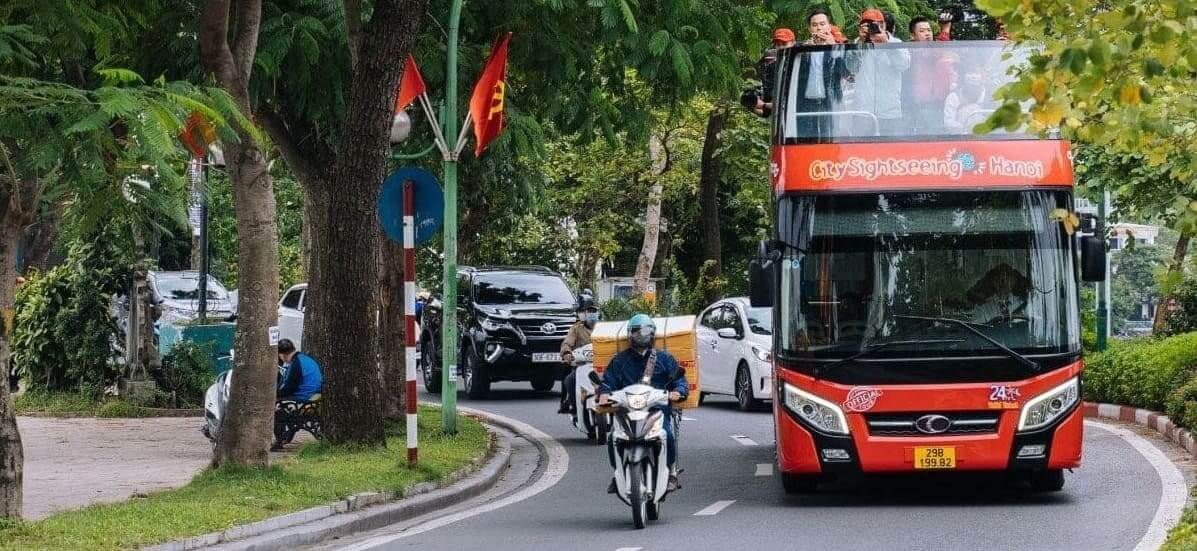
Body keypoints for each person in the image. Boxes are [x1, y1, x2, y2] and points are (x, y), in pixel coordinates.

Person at [598, 314, 689, 492]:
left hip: (657, 410)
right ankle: (617, 474)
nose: (641, 335)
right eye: (637, 332)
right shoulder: (620, 360)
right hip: (626, 411)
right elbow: (608, 382)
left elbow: (680, 380)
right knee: (613, 438)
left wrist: (678, 391)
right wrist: (604, 393)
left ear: (653, 334)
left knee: (667, 435)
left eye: (646, 331)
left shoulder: (664, 359)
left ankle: (671, 472)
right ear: (630, 334)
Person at [846, 8, 911, 137]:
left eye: (876, 24)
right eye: (867, 25)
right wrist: (860, 44)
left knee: (890, 151)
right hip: (863, 110)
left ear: (884, 25)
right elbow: (851, 68)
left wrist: (886, 44)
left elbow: (903, 65)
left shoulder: (896, 43)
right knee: (862, 151)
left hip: (889, 110)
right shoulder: (857, 44)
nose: (872, 28)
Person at [791, 8, 847, 140]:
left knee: (829, 139)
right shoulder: (801, 48)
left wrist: (833, 47)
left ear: (829, 26)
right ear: (809, 29)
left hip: (829, 102)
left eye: (822, 24)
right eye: (814, 25)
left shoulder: (839, 47)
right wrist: (803, 52)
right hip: (805, 103)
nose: (819, 28)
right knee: (805, 139)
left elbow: (845, 72)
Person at [905, 16, 957, 134]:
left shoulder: (932, 49)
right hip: (926, 104)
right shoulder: (915, 50)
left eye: (929, 30)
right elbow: (934, 53)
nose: (927, 34)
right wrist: (945, 30)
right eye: (922, 31)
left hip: (939, 102)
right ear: (912, 36)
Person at [558, 291, 598, 414]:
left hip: (601, 365)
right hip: (582, 365)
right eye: (587, 311)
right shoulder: (576, 329)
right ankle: (573, 404)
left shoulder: (604, 327)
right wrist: (566, 353)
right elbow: (567, 343)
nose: (590, 314)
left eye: (593, 311)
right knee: (570, 380)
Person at [750, 28, 798, 117]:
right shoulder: (772, 69)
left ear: (793, 43)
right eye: (778, 45)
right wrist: (752, 105)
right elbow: (766, 112)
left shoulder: (803, 62)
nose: (781, 47)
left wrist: (765, 105)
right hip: (782, 122)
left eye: (784, 44)